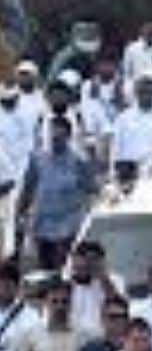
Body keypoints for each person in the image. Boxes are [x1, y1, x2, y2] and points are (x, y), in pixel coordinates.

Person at [18, 116, 97, 270]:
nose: (55, 140)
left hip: (69, 224)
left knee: (63, 267)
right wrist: (21, 213)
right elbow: (28, 187)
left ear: (68, 136)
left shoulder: (79, 160)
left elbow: (92, 189)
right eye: (52, 136)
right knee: (44, 267)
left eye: (59, 137)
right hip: (43, 223)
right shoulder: (37, 158)